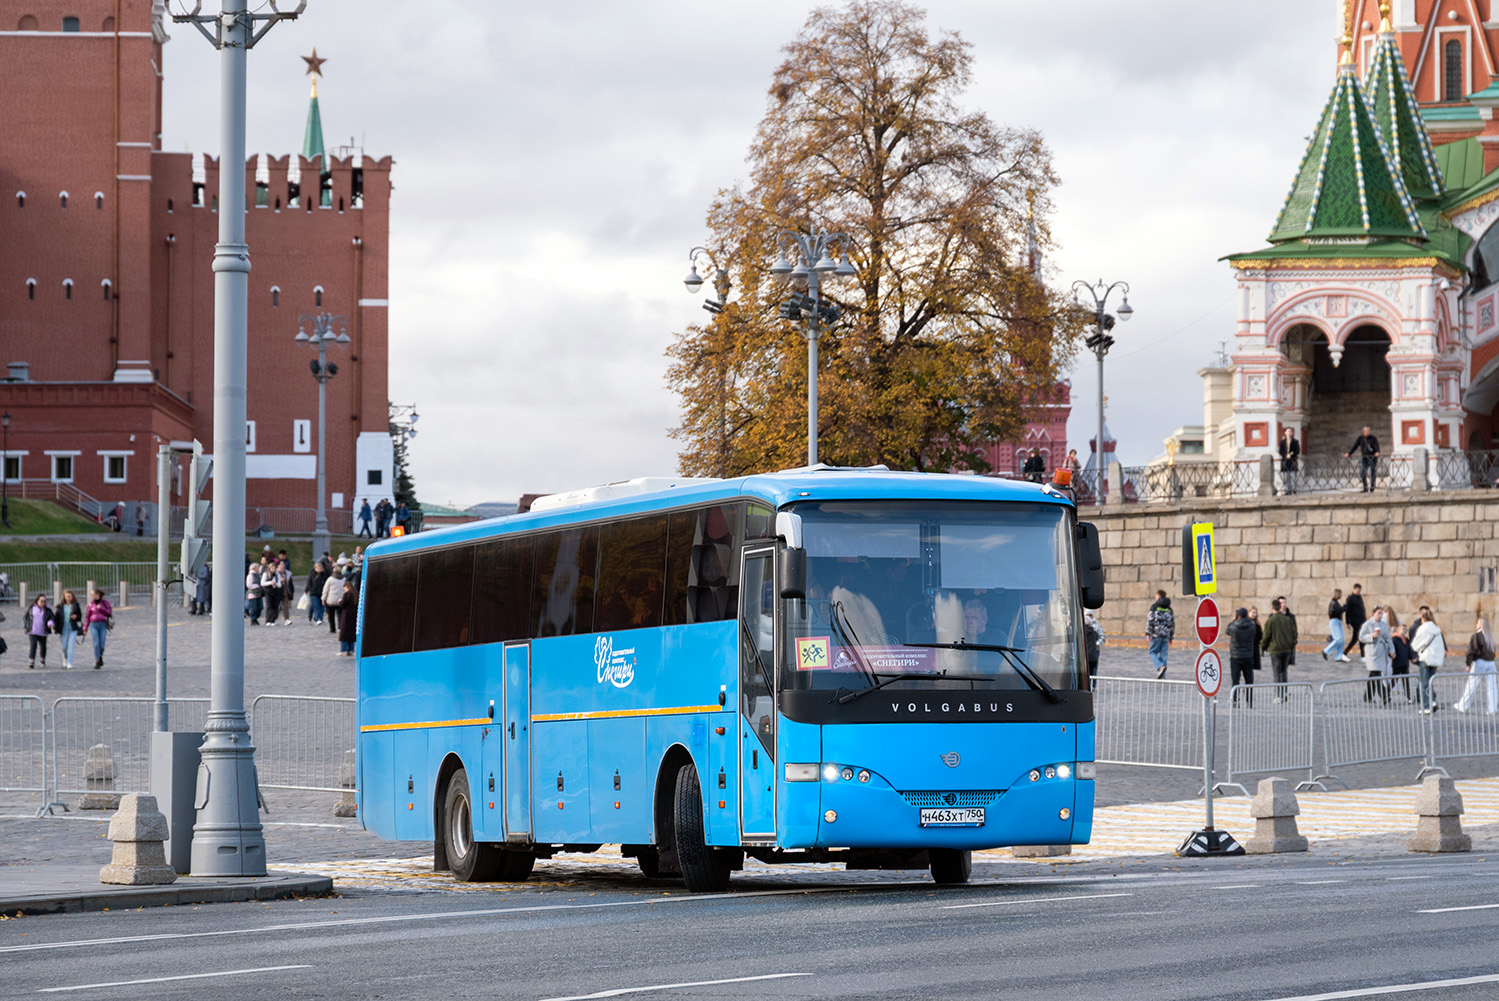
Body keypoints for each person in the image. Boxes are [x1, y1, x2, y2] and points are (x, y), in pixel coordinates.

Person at [1456, 617, 1497, 715]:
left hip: (1480, 662)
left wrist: (1468, 664)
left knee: (1471, 685)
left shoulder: (1477, 636)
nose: (1476, 625)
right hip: (1491, 663)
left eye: (1478, 623)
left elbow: (1471, 650)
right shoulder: (1490, 637)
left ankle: (1463, 705)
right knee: (1492, 687)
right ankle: (1493, 708)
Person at [1410, 609, 1447, 713]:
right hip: (1435, 659)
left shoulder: (1423, 629)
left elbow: (1415, 645)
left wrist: (1419, 649)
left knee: (1424, 683)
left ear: (1423, 618)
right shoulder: (1437, 629)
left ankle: (1427, 706)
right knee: (1429, 682)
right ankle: (1432, 702)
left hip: (1426, 658)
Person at [1261, 598, 1298, 698]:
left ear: (1272, 607)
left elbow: (1266, 635)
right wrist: (1291, 645)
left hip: (1275, 649)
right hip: (1286, 649)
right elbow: (1294, 634)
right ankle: (1284, 691)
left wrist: (1263, 647)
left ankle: (1278, 694)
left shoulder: (1271, 620)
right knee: (1284, 671)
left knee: (1277, 672)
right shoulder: (1287, 619)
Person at [1358, 607, 1392, 704]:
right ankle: (1384, 695)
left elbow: (1388, 638)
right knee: (1376, 674)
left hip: (1381, 652)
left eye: (1382, 613)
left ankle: (1367, 696)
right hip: (1372, 653)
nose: (1380, 615)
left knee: (1373, 675)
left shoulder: (1383, 624)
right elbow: (1361, 637)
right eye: (1378, 613)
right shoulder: (1367, 624)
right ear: (1373, 613)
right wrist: (1371, 636)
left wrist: (1391, 650)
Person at [1226, 606, 1257, 705]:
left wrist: (1233, 620)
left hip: (1236, 657)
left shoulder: (1234, 627)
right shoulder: (1252, 626)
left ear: (1238, 615)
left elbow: (1227, 630)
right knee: (1249, 680)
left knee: (1235, 680)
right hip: (1248, 656)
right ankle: (1249, 701)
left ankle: (1235, 700)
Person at [1146, 591, 1175, 679]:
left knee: (1152, 652)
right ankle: (1163, 676)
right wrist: (1171, 636)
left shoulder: (1154, 607)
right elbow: (1172, 623)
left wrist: (1148, 633)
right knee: (1163, 655)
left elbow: (1150, 620)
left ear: (1158, 596)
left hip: (1156, 634)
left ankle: (1159, 666)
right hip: (1166, 635)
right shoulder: (1169, 609)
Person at [52, 589, 82, 670]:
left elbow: (80, 616)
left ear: (72, 597)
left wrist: (76, 616)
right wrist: (55, 627)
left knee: (71, 646)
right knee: (64, 646)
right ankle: (65, 658)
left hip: (72, 627)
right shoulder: (60, 607)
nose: (68, 598)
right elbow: (56, 618)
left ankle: (69, 662)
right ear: (64, 597)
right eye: (67, 596)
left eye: (70, 596)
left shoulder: (76, 605)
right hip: (63, 627)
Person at [1346, 425, 1381, 493]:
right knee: (1362, 473)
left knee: (1373, 472)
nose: (1368, 432)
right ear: (1363, 432)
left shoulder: (1373, 438)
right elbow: (1355, 446)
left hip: (1372, 457)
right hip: (1365, 458)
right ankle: (1365, 487)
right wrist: (1349, 453)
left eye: (1369, 431)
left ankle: (1372, 487)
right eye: (1367, 431)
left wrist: (1377, 452)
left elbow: (1376, 446)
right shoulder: (1360, 438)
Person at [85, 588, 112, 669]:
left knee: (102, 645)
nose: (92, 596)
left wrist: (101, 608)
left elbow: (109, 613)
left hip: (103, 624)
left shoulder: (105, 602)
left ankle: (100, 656)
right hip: (94, 625)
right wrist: (85, 628)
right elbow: (87, 617)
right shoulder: (90, 604)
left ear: (98, 595)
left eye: (93, 594)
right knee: (96, 643)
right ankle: (97, 660)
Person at [25, 594, 53, 669]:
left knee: (43, 647)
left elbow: (52, 617)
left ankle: (42, 659)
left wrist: (50, 623)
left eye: (44, 601)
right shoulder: (32, 609)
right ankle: (31, 660)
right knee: (33, 646)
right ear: (37, 601)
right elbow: (26, 618)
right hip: (33, 631)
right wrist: (27, 626)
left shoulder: (47, 610)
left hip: (43, 631)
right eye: (41, 601)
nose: (43, 602)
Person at [1323, 588, 1350, 662]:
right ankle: (1326, 651)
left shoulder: (1336, 603)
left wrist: (1343, 607)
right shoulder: (1333, 603)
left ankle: (1338, 656)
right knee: (1338, 639)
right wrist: (1344, 607)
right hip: (1334, 621)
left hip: (1338, 621)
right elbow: (1338, 611)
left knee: (1342, 640)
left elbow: (1339, 610)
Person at [1391, 623, 1414, 702]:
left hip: (1405, 664)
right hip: (1397, 664)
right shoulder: (1394, 639)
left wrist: (1412, 658)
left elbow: (1409, 651)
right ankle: (1386, 695)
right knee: (1393, 681)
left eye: (1405, 630)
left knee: (1406, 682)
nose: (1404, 631)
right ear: (1398, 630)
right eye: (1402, 629)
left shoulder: (1407, 640)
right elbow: (1392, 651)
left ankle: (1408, 697)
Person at [1343, 583, 1366, 658]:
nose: (1358, 592)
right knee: (1360, 637)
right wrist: (1348, 622)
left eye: (1360, 590)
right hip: (1355, 621)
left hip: (1361, 620)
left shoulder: (1360, 597)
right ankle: (1363, 655)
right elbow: (1348, 611)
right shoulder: (1350, 598)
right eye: (1357, 590)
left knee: (1355, 638)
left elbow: (1362, 609)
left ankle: (1345, 652)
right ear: (1354, 589)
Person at [337, 579, 358, 655]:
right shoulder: (355, 594)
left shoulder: (346, 594)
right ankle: (351, 649)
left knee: (344, 633)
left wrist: (340, 601)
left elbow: (343, 605)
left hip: (347, 615)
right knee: (351, 633)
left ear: (346, 587)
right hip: (354, 615)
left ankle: (343, 650)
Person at [1279, 427, 1301, 496]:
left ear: (1292, 433)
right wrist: (1285, 455)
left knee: (1294, 476)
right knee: (1286, 477)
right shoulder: (1282, 442)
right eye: (1288, 431)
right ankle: (1288, 490)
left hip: (1292, 460)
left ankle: (1294, 490)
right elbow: (1280, 451)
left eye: (1290, 431)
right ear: (1285, 433)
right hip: (1285, 461)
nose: (1289, 433)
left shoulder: (1295, 441)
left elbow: (1297, 450)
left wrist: (1290, 454)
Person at [323, 566, 345, 635]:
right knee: (340, 615)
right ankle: (340, 627)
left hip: (331, 600)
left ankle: (332, 628)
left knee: (331, 616)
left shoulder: (330, 579)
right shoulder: (344, 579)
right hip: (340, 600)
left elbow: (325, 590)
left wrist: (323, 599)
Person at [306, 559, 329, 625]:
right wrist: (309, 590)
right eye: (318, 568)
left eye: (320, 567)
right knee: (316, 606)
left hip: (322, 593)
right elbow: (309, 583)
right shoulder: (312, 575)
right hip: (314, 593)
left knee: (322, 607)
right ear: (315, 568)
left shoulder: (325, 575)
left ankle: (319, 618)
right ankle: (317, 618)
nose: (319, 569)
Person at [1083, 610, 1103, 678]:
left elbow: (1101, 636)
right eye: (1087, 615)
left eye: (1090, 615)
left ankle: (1092, 686)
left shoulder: (1097, 625)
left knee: (1093, 671)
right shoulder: (1083, 627)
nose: (1089, 616)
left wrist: (1096, 644)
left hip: (1094, 650)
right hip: (1087, 651)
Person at [245, 561, 265, 626]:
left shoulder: (259, 575)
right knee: (254, 608)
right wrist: (256, 586)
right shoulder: (250, 576)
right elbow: (249, 585)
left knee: (260, 607)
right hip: (252, 594)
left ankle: (256, 618)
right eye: (258, 568)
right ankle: (253, 619)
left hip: (259, 594)